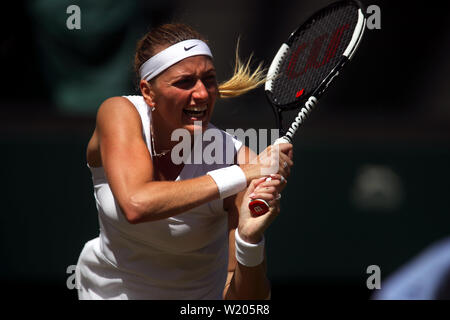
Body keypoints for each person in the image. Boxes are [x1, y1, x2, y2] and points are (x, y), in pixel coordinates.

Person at [76, 23, 294, 300]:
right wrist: (244, 173)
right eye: (184, 82)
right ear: (147, 91)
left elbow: (246, 304)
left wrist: (249, 241)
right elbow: (137, 203)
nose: (202, 93)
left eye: (209, 79)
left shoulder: (239, 162)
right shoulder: (119, 113)